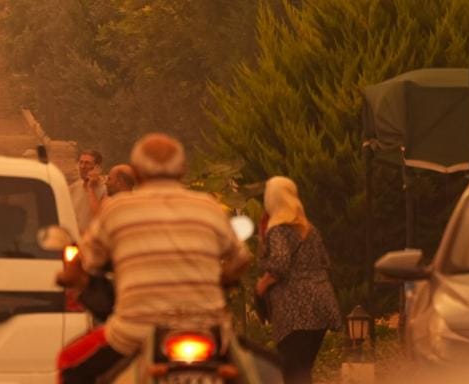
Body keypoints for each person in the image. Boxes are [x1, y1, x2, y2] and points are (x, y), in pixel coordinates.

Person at [57, 134, 251, 383]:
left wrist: (69, 274)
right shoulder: (208, 206)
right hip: (209, 332)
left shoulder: (118, 209)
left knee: (68, 362)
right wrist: (223, 280)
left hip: (135, 333)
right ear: (182, 170)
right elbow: (241, 259)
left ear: (137, 173)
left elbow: (87, 262)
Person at [256, 176, 341, 384]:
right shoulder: (310, 230)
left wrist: (263, 283)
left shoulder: (279, 230)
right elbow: (324, 261)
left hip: (295, 311)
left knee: (293, 373)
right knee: (302, 371)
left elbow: (280, 264)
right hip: (321, 306)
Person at [70, 149, 107, 234]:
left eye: (87, 163)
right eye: (81, 162)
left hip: (92, 241)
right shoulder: (74, 187)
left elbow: (100, 218)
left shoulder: (105, 189)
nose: (82, 166)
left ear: (97, 167)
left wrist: (91, 188)